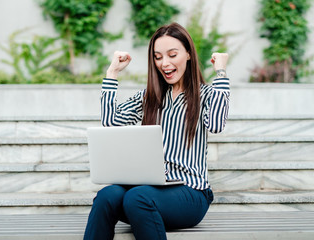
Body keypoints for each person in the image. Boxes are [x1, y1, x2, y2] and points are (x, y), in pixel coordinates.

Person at [84, 22, 230, 240]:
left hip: (191, 194)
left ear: (189, 54)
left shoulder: (206, 94)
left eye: (172, 55)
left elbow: (217, 124)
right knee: (107, 195)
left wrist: (221, 71)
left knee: (137, 197)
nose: (165, 63)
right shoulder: (149, 97)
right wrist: (112, 72)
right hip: (149, 191)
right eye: (158, 57)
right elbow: (110, 121)